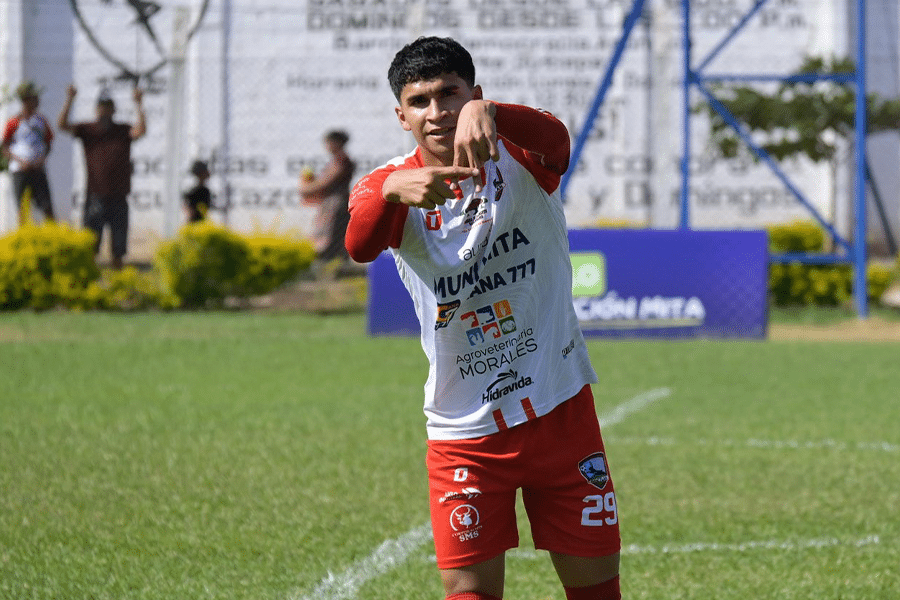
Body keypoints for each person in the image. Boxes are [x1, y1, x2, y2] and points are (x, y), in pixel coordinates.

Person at [344, 37, 621, 600]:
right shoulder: (392, 186)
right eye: (419, 101)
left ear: (474, 94)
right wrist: (390, 191)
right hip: (464, 430)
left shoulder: (520, 155)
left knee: (596, 590)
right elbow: (359, 245)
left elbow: (558, 141)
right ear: (401, 116)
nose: (437, 112)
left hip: (560, 408)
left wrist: (494, 113)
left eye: (450, 94)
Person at [57, 85, 146, 269]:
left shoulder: (122, 130)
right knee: (90, 247)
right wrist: (70, 99)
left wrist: (139, 104)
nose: (104, 110)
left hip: (119, 196)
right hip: (95, 195)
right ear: (96, 109)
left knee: (118, 250)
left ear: (114, 110)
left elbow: (140, 131)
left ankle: (118, 280)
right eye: (101, 106)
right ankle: (90, 280)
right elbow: (62, 125)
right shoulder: (88, 130)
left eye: (108, 107)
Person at [298, 129, 355, 273]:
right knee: (327, 235)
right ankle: (330, 268)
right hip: (330, 203)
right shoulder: (335, 161)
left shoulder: (342, 161)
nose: (327, 146)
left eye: (330, 142)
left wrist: (306, 187)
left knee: (331, 236)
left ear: (338, 143)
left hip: (336, 204)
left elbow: (325, 183)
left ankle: (332, 269)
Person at [1, 81, 55, 223]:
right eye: (33, 98)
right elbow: (5, 147)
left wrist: (41, 159)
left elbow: (48, 143)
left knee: (46, 207)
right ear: (25, 101)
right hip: (20, 171)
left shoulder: (41, 121)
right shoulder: (14, 122)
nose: (37, 101)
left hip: (37, 169)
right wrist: (20, 161)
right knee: (23, 209)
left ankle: (52, 232)